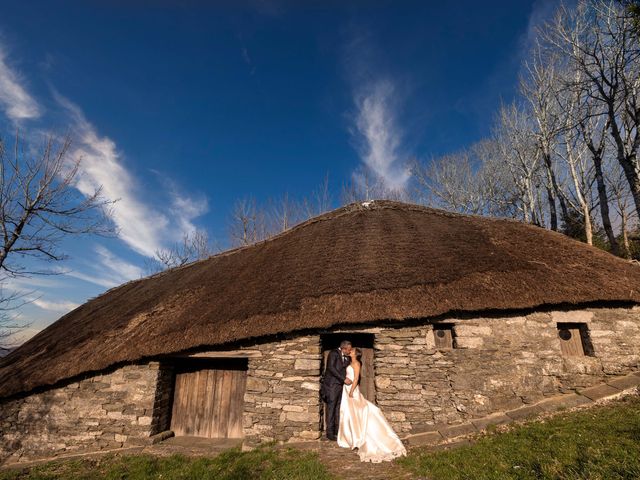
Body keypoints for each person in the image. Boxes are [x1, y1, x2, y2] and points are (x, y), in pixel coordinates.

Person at [337, 347, 407, 462]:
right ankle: (350, 436)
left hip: (351, 390)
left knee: (358, 411)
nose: (350, 351)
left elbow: (355, 379)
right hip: (347, 388)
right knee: (349, 412)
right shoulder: (350, 362)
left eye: (352, 351)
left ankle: (358, 435)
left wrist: (351, 391)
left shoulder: (357, 364)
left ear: (356, 354)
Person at [320, 340, 353, 441]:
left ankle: (337, 431)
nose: (350, 351)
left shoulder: (346, 357)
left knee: (338, 407)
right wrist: (343, 379)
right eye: (349, 350)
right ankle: (329, 433)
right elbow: (331, 368)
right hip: (331, 386)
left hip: (339, 387)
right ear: (343, 348)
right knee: (331, 408)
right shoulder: (333, 353)